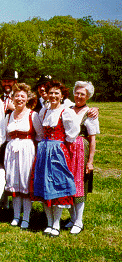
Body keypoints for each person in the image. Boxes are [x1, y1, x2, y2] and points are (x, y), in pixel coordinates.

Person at [32, 80, 79, 237]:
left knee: (56, 186)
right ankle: (49, 222)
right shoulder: (44, 111)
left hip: (58, 151)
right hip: (44, 150)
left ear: (62, 95)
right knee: (44, 185)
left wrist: (60, 146)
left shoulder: (66, 112)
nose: (53, 96)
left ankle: (56, 224)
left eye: (56, 93)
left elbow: (72, 133)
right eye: (50, 92)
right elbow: (39, 132)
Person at [3, 83, 44, 229]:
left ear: (27, 99)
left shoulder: (33, 115)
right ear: (12, 98)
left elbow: (40, 136)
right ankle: (15, 216)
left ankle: (25, 217)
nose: (19, 98)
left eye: (22, 96)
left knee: (26, 183)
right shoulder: (8, 116)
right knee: (14, 182)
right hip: (12, 150)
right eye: (16, 96)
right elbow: (5, 136)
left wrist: (32, 151)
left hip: (27, 150)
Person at [65, 81, 100, 235]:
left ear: (88, 96)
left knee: (79, 184)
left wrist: (90, 161)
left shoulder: (90, 113)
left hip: (81, 150)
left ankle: (79, 221)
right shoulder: (68, 108)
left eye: (82, 94)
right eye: (77, 93)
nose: (79, 96)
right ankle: (72, 218)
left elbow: (92, 139)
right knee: (68, 184)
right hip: (67, 149)